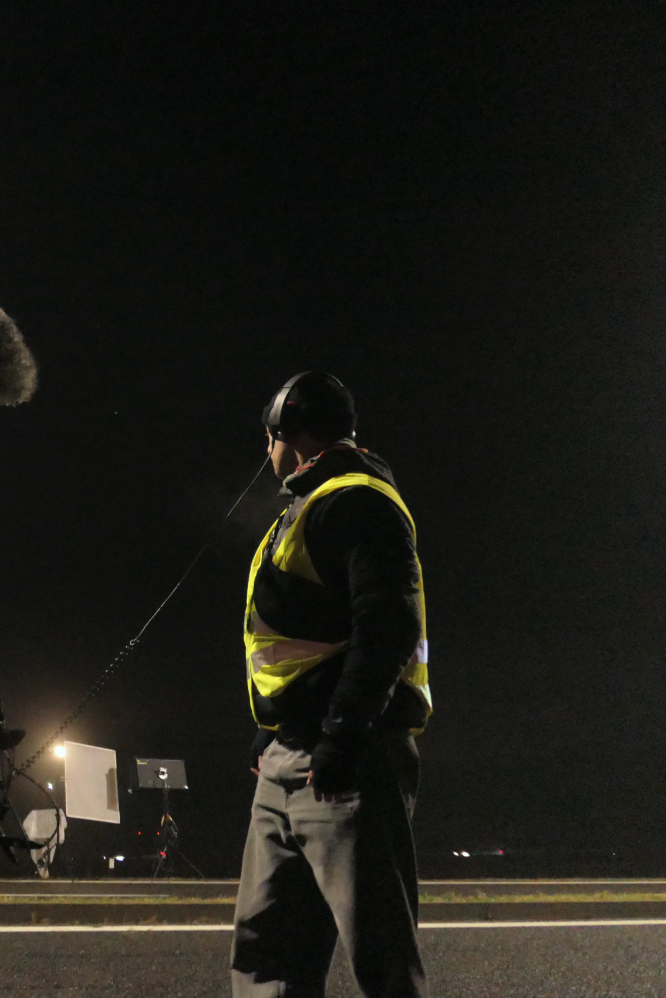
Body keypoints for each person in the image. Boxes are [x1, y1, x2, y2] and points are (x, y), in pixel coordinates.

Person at [230, 372, 432, 998]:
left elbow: (388, 629)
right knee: (267, 957)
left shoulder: (357, 501)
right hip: (288, 757)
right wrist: (273, 732)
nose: (265, 451)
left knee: (382, 960)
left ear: (286, 429)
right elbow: (300, 640)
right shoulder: (307, 507)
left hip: (347, 761)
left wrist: (340, 738)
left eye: (268, 437)